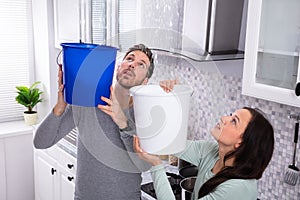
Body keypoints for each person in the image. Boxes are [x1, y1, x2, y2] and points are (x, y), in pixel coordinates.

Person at [34, 44, 156, 200]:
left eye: (141, 64)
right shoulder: (87, 102)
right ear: (118, 67)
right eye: (130, 59)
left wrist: (124, 124)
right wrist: (59, 108)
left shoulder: (143, 114)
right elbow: (40, 142)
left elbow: (144, 165)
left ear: (145, 81)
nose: (132, 64)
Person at [134, 106, 275, 200]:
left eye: (233, 121)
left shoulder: (237, 189)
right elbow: (169, 142)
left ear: (241, 143)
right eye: (231, 115)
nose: (224, 118)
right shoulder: (213, 152)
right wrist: (169, 98)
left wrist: (155, 164)